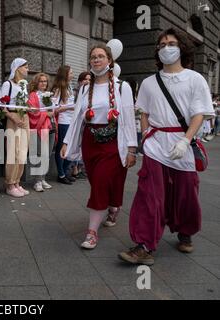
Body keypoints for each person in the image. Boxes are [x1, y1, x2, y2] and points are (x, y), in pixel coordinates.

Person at [119, 28, 215, 265]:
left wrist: (185, 140)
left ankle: (185, 231)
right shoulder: (150, 83)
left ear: (182, 48)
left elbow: (200, 114)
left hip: (183, 143)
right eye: (161, 45)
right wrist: (146, 137)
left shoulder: (195, 79)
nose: (166, 48)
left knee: (186, 194)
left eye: (171, 43)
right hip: (155, 145)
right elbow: (143, 111)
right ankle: (144, 244)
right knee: (148, 195)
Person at [60, 44, 137, 250]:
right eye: (93, 57)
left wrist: (131, 149)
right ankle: (113, 206)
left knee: (102, 181)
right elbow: (77, 118)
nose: (96, 60)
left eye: (101, 56)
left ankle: (92, 232)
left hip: (113, 142)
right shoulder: (85, 88)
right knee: (97, 182)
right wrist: (67, 142)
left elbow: (128, 119)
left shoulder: (123, 87)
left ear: (109, 61)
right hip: (90, 141)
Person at [0, 58, 30, 198]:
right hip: (13, 119)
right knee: (13, 151)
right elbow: (2, 106)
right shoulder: (7, 84)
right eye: (25, 67)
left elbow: (26, 104)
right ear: (17, 68)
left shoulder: (24, 85)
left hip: (24, 118)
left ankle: (17, 181)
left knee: (23, 151)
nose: (27, 69)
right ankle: (10, 183)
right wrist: (13, 117)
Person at [27, 73, 57, 192]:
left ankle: (43, 178)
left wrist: (53, 110)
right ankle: (37, 181)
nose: (44, 83)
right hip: (39, 127)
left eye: (45, 81)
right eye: (41, 81)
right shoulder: (33, 95)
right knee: (39, 154)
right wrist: (46, 114)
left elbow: (53, 110)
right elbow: (32, 113)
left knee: (47, 154)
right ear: (36, 83)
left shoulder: (49, 95)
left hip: (50, 127)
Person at [52, 65, 76, 185]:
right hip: (63, 122)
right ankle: (61, 174)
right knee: (61, 147)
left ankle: (65, 171)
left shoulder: (70, 87)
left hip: (72, 121)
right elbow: (54, 108)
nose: (73, 74)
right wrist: (70, 107)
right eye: (71, 72)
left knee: (71, 147)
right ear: (65, 74)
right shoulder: (58, 88)